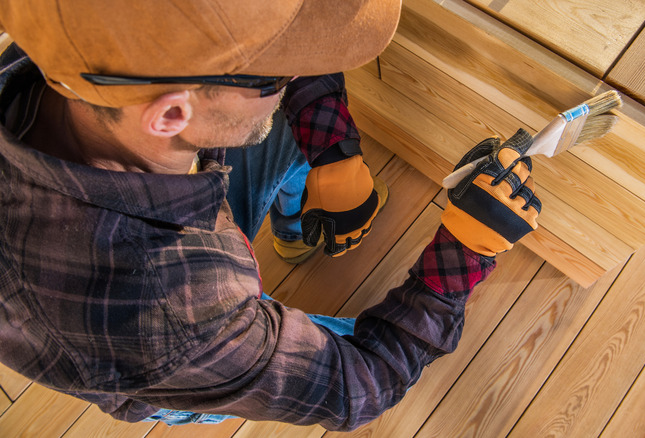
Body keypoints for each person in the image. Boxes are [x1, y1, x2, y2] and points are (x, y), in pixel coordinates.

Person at [0, 0, 541, 430]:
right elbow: (358, 385)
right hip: (170, 360)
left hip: (165, 265)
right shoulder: (176, 319)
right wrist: (466, 253)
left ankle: (291, 230)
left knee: (264, 122)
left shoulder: (64, 49)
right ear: (170, 113)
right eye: (276, 76)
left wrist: (332, 152)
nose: (292, 75)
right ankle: (285, 239)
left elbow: (250, 58)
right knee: (356, 344)